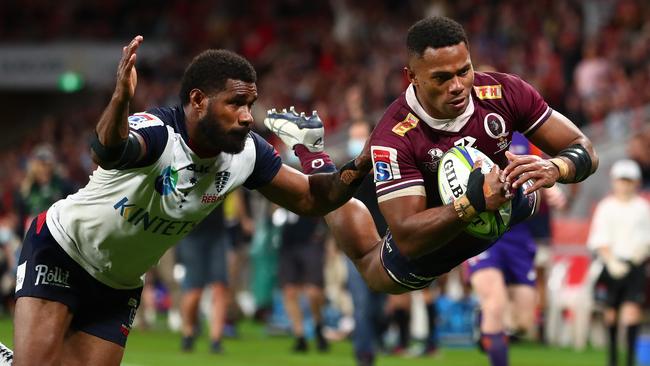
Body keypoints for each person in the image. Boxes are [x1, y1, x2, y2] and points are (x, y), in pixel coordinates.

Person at [12, 36, 367, 366]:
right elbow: (107, 150)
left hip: (118, 283)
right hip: (64, 249)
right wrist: (120, 99)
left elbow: (312, 200)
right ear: (198, 100)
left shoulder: (248, 154)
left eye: (250, 104)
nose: (246, 116)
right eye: (235, 103)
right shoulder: (158, 132)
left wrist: (350, 161)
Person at [267, 16, 598, 295]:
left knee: (534, 195)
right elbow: (408, 238)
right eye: (441, 77)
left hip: (504, 200)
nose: (457, 86)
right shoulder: (395, 136)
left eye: (463, 71)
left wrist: (558, 166)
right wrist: (471, 205)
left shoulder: (505, 92)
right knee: (372, 267)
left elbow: (584, 148)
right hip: (434, 240)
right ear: (412, 76)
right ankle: (313, 154)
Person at [587, 159, 650, 366]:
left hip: (635, 266)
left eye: (629, 180)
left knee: (632, 313)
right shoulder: (606, 207)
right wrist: (611, 260)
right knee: (611, 314)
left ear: (636, 182)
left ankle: (630, 360)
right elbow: (599, 239)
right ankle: (612, 359)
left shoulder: (642, 208)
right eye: (621, 180)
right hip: (610, 265)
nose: (624, 185)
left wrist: (640, 254)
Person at [177, 207, 231, 353]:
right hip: (191, 233)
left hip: (217, 233)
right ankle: (188, 331)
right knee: (195, 291)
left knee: (220, 287)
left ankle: (216, 340)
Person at [277, 211, 329, 353]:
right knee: (289, 292)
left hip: (311, 240)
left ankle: (318, 325)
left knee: (313, 293)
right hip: (288, 241)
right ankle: (300, 337)